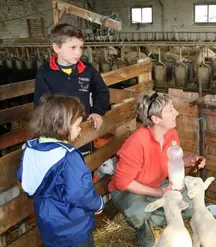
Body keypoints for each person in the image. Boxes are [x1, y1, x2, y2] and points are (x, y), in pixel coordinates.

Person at [108, 91, 206, 247]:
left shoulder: (170, 134)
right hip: (128, 190)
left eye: (173, 108)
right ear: (155, 119)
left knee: (191, 203)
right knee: (138, 213)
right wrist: (159, 193)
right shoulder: (137, 142)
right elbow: (121, 182)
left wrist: (191, 160)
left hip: (157, 184)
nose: (177, 113)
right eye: (170, 110)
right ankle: (144, 231)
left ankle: (154, 214)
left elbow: (174, 161)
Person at [17, 94, 104, 247]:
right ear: (62, 125)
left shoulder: (30, 149)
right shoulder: (68, 156)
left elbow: (25, 182)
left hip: (48, 226)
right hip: (74, 227)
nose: (80, 130)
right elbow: (80, 193)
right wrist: (98, 204)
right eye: (77, 125)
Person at [34, 23, 109, 155]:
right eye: (73, 47)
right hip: (57, 133)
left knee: (85, 162)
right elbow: (41, 103)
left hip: (83, 128)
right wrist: (59, 125)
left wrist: (97, 111)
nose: (78, 52)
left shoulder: (87, 70)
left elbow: (101, 91)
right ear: (57, 48)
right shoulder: (45, 72)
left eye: (81, 47)